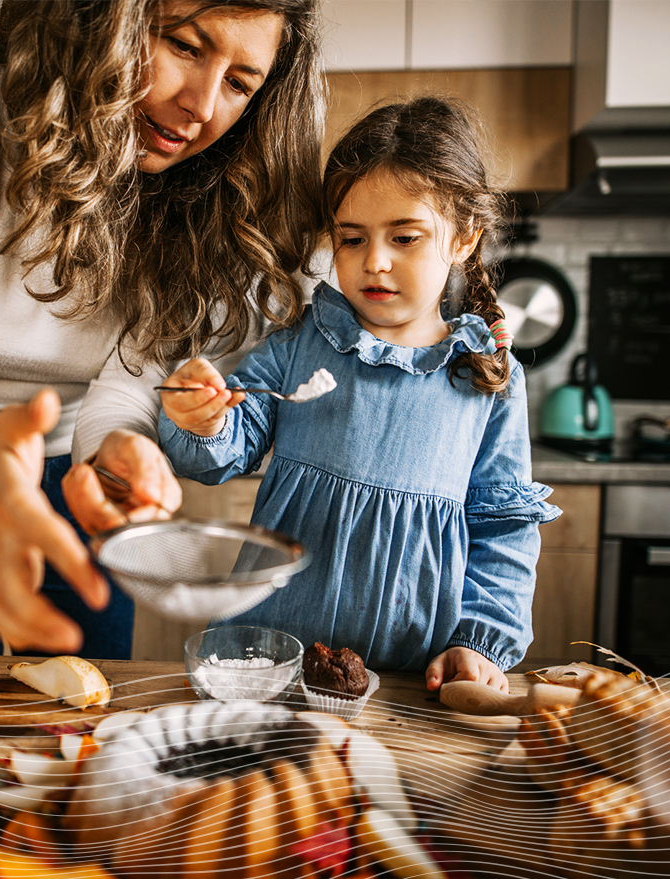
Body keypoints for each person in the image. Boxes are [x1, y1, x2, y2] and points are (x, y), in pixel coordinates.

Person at [0, 0, 325, 657]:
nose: (201, 107)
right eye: (182, 45)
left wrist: (117, 446)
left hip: (79, 486)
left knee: (82, 727)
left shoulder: (213, 190)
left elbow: (126, 379)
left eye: (239, 84)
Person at [157, 97, 561, 692]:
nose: (374, 262)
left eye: (404, 237)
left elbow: (504, 531)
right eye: (351, 239)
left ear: (465, 240)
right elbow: (220, 453)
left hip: (411, 677)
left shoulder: (486, 377)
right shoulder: (300, 345)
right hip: (269, 665)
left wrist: (481, 641)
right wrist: (201, 419)